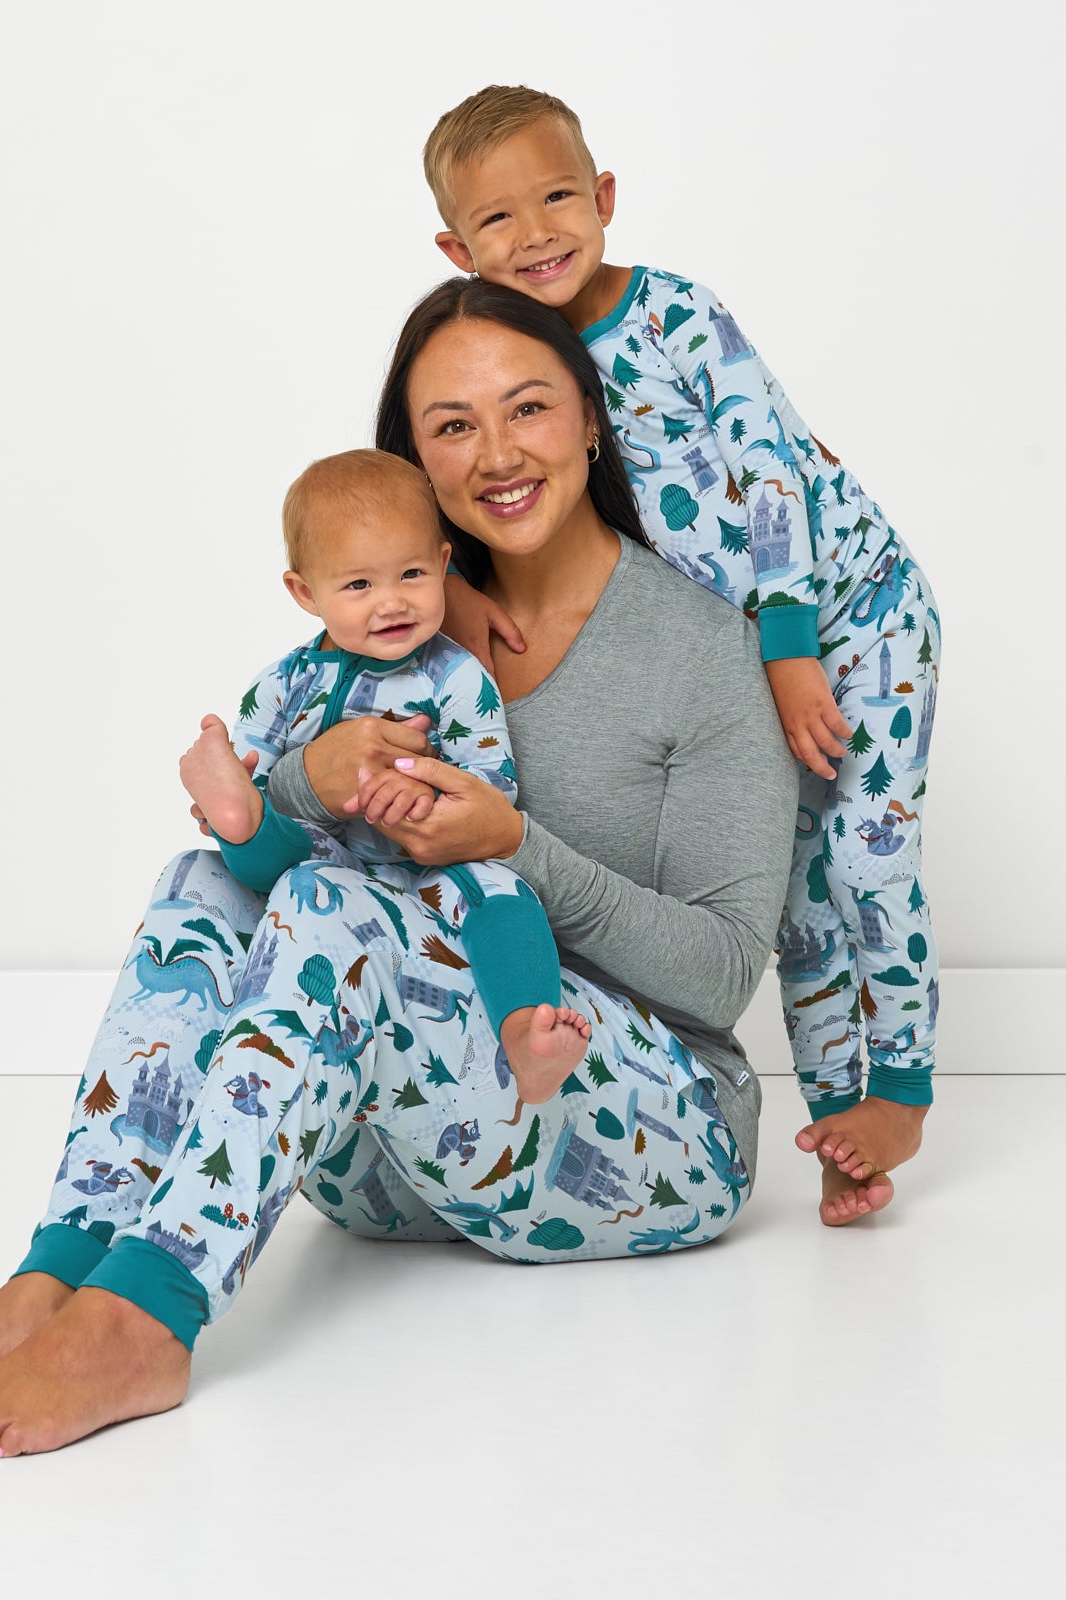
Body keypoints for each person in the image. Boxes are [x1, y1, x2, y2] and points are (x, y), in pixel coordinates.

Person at [0, 280, 796, 1460]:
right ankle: (61, 1270)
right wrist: (303, 775)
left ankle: (145, 1316)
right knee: (204, 884)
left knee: (338, 902)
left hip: (638, 1132)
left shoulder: (696, 649)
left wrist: (511, 845)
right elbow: (281, 837)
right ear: (414, 468)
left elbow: (719, 972)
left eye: (528, 407)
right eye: (450, 424)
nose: (494, 449)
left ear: (589, 422)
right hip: (390, 1165)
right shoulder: (385, 631)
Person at [420, 85, 939, 1223]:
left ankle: (899, 1085)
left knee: (861, 854)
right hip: (750, 647)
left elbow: (767, 475)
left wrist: (792, 640)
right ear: (457, 250)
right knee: (793, 892)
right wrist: (454, 588)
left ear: (604, 197)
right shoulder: (516, 362)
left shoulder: (674, 318)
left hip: (849, 611)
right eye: (497, 222)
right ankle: (837, 1115)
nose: (536, 234)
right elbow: (484, 483)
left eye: (557, 198)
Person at [182, 445, 593, 1105]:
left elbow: (495, 788)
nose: (391, 603)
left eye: (409, 574)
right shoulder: (283, 684)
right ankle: (237, 818)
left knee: (500, 892)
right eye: (358, 585)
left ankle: (525, 1034)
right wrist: (244, 792)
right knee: (266, 839)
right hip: (329, 863)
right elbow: (262, 766)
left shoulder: (456, 678)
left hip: (429, 872)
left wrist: (426, 794)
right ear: (304, 593)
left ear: (442, 563)